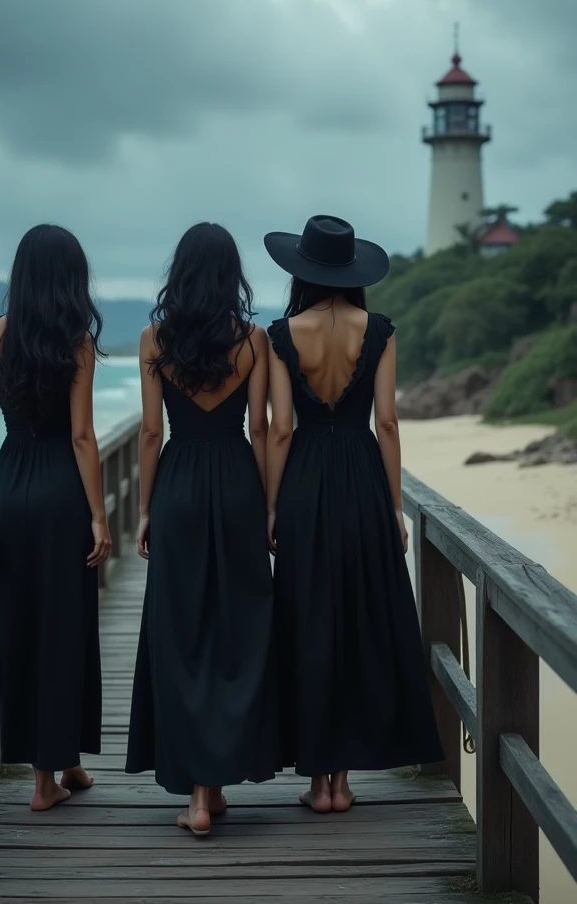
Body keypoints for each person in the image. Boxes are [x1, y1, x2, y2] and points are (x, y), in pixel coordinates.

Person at [264, 215, 443, 813]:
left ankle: (319, 785)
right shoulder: (381, 330)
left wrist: (270, 505)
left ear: (302, 272)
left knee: (310, 625)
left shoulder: (283, 334)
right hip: (363, 482)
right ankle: (346, 783)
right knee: (358, 623)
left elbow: (280, 428)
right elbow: (387, 422)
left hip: (305, 483)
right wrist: (394, 506)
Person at [0, 224, 110, 811]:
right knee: (64, 628)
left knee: (19, 626)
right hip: (64, 490)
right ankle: (57, 769)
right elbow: (84, 436)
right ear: (70, 279)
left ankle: (56, 772)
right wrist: (98, 515)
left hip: (12, 487)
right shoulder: (77, 343)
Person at [126, 221, 277, 837]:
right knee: (235, 632)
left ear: (180, 274)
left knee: (181, 633)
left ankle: (194, 797)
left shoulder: (154, 340)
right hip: (239, 482)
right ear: (231, 275)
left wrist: (143, 509)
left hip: (180, 486)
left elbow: (150, 433)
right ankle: (212, 791)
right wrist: (270, 507)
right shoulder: (255, 340)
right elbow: (263, 430)